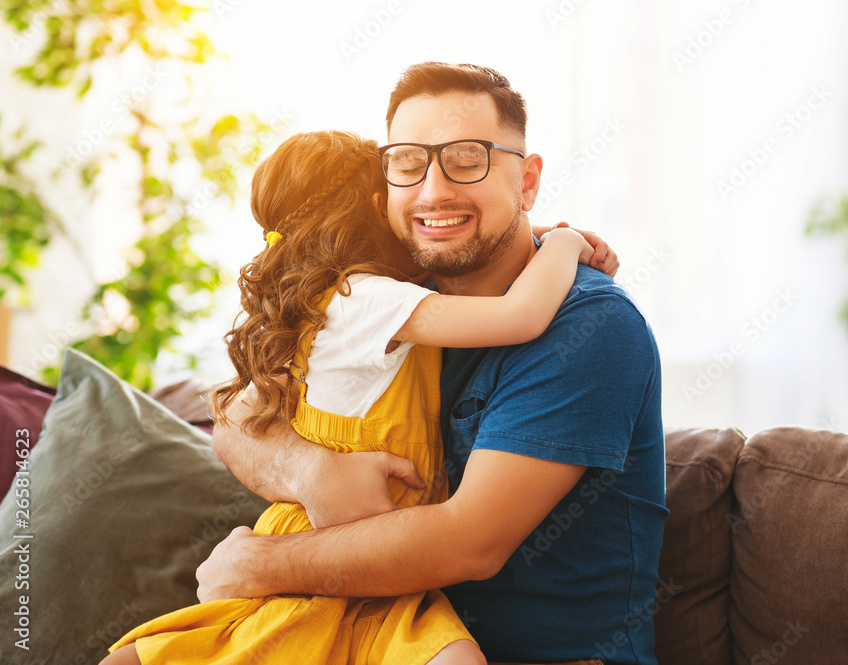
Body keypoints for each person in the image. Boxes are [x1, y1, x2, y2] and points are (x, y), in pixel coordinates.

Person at [198, 62, 666, 665]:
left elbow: (470, 544)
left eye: (468, 159)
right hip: (370, 635)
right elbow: (236, 419)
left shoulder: (590, 327)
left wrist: (259, 566)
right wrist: (312, 473)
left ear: (527, 183)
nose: (434, 190)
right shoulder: (390, 299)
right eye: (408, 163)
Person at [102, 129, 601, 664]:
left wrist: (526, 239)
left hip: (383, 557)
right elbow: (518, 317)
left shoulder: (329, 299)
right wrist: (564, 243)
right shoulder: (366, 301)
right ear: (377, 207)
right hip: (332, 543)